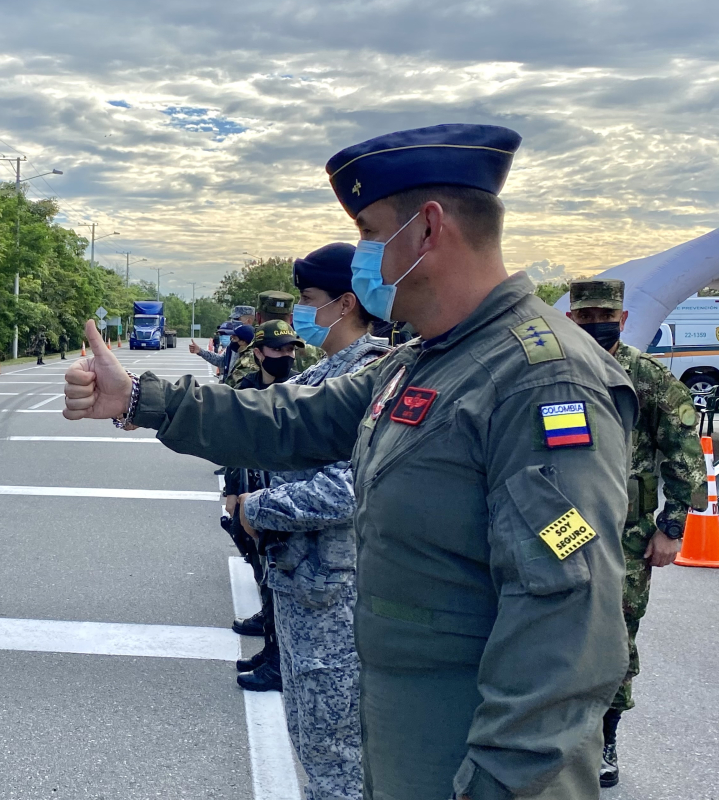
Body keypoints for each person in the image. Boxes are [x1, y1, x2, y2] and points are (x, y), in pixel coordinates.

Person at [62, 123, 635, 800]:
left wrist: (499, 785)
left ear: (428, 229)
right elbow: (292, 419)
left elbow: (566, 622)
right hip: (405, 739)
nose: (365, 257)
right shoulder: (426, 360)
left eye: (369, 232)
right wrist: (141, 398)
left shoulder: (541, 380)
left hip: (471, 766)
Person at [234, 242, 390, 800]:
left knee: (339, 752)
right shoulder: (323, 372)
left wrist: (258, 508)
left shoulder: (375, 375)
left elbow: (352, 487)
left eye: (307, 298)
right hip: (303, 582)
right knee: (311, 738)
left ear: (345, 303)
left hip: (338, 591)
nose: (300, 311)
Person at [565, 278, 706, 788]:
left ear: (622, 319)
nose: (596, 325)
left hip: (627, 532)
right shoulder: (556, 372)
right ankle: (563, 735)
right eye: (586, 317)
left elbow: (684, 455)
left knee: (618, 634)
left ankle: (606, 739)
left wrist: (671, 528)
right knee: (558, 628)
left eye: (605, 316)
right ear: (571, 320)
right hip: (562, 528)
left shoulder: (646, 377)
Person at [224, 319, 308, 693]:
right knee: (262, 569)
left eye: (290, 349)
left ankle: (278, 660)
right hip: (251, 490)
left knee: (281, 576)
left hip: (285, 496)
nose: (285, 356)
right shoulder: (247, 388)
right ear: (258, 353)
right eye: (277, 349)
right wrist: (232, 491)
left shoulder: (303, 387)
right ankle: (271, 643)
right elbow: (234, 442)